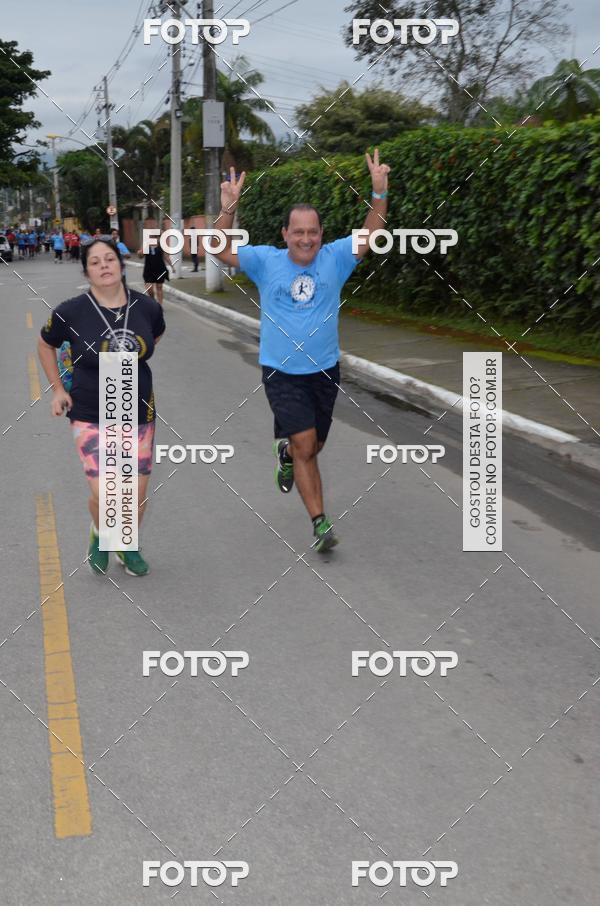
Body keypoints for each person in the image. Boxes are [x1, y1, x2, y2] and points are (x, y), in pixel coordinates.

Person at [210, 150, 390, 553]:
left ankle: (286, 452)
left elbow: (372, 233)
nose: (306, 238)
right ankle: (320, 523)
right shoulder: (264, 261)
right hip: (282, 371)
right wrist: (228, 209)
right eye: (298, 232)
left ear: (321, 234)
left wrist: (379, 193)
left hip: (326, 371)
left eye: (312, 232)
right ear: (285, 234)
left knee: (312, 446)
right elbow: (220, 250)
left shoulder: (336, 259)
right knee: (309, 445)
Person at [37, 237, 166, 577]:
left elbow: (154, 337)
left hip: (138, 409)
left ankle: (125, 544)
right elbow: (45, 344)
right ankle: (103, 533)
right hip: (90, 410)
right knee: (108, 491)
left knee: (134, 494)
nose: (104, 266)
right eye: (95, 262)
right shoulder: (71, 311)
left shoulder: (147, 307)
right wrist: (56, 389)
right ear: (87, 271)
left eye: (109, 259)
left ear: (122, 265)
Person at [137, 234, 170, 305]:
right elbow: (140, 256)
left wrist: (172, 266)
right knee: (149, 289)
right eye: (153, 237)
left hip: (160, 269)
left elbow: (166, 256)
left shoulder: (161, 245)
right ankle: (153, 301)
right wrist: (140, 252)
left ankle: (159, 306)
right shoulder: (146, 245)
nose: (155, 238)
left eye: (156, 236)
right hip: (148, 270)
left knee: (159, 287)